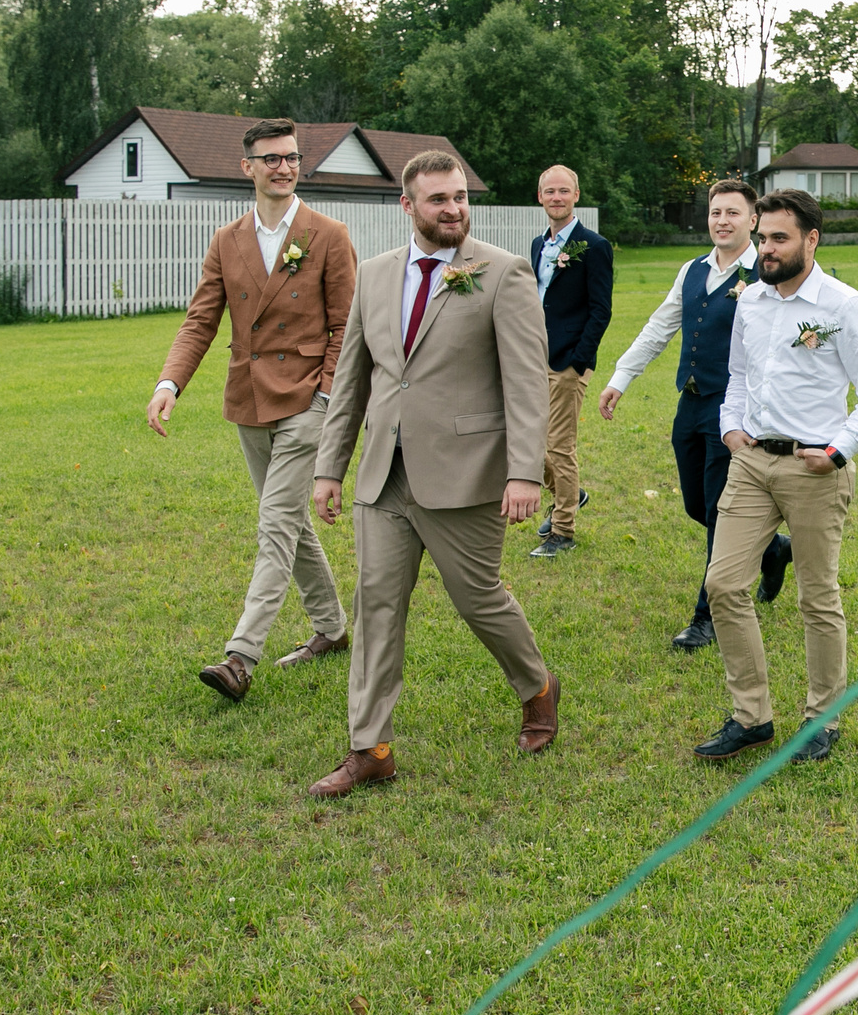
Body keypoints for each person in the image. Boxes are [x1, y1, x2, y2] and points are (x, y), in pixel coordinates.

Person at [304, 151, 560, 797]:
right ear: (407, 206)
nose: (452, 209)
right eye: (438, 199)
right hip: (383, 476)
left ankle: (536, 684)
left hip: (466, 474)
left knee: (479, 600)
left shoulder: (502, 274)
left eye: (459, 197)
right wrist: (329, 467)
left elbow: (527, 382)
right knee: (377, 605)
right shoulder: (375, 276)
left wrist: (525, 471)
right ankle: (371, 749)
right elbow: (353, 377)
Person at [146, 117, 355, 703]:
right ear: (248, 167)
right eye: (271, 158)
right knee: (289, 521)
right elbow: (201, 319)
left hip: (309, 399)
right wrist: (170, 382)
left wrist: (327, 397)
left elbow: (347, 326)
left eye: (291, 157)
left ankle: (241, 655)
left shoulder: (328, 234)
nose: (284, 167)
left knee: (273, 526)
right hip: (249, 399)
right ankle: (332, 630)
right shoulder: (226, 239)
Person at [696, 190, 858, 764]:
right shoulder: (752, 301)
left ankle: (821, 720)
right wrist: (731, 427)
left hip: (815, 470)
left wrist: (839, 450)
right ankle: (751, 716)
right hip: (753, 463)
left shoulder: (842, 305)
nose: (766, 249)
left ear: (812, 239)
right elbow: (737, 375)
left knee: (817, 599)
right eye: (763, 238)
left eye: (779, 238)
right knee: (724, 585)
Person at [600, 177, 792, 651]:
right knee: (694, 504)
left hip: (736, 412)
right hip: (690, 401)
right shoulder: (691, 271)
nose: (722, 221)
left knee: (717, 509)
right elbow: (659, 327)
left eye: (732, 213)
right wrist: (621, 378)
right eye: (715, 213)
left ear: (753, 220)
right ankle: (773, 549)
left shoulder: (767, 272)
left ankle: (706, 617)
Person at [527, 165, 612, 560]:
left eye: (564, 191)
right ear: (540, 197)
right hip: (532, 358)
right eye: (550, 191)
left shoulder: (593, 246)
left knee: (558, 447)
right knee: (527, 442)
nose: (556, 197)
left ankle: (562, 531)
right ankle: (570, 493)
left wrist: (579, 362)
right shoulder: (536, 245)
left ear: (576, 195)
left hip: (568, 363)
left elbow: (601, 310)